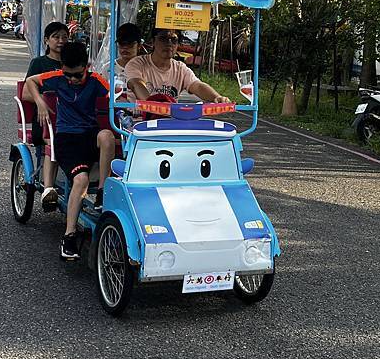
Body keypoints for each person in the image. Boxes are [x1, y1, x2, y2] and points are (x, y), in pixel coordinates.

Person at [24, 42, 115, 261]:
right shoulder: (56, 77)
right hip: (66, 139)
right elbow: (30, 81)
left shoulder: (96, 81)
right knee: (81, 180)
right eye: (68, 75)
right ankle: (69, 236)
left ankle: (103, 192)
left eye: (77, 75)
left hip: (89, 135)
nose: (72, 80)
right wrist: (41, 102)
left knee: (107, 136)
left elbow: (115, 94)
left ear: (87, 66)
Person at [24, 22, 69, 211]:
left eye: (64, 37)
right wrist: (42, 100)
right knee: (54, 138)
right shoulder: (39, 63)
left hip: (68, 117)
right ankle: (48, 188)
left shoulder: (72, 62)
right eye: (56, 37)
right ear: (46, 40)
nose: (60, 41)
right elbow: (25, 92)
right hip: (45, 120)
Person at [125, 28, 230, 103]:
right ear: (153, 42)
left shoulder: (181, 68)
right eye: (163, 38)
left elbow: (197, 85)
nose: (169, 43)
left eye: (174, 40)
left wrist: (217, 97)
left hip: (169, 122)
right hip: (139, 122)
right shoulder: (137, 64)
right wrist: (153, 106)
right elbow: (136, 84)